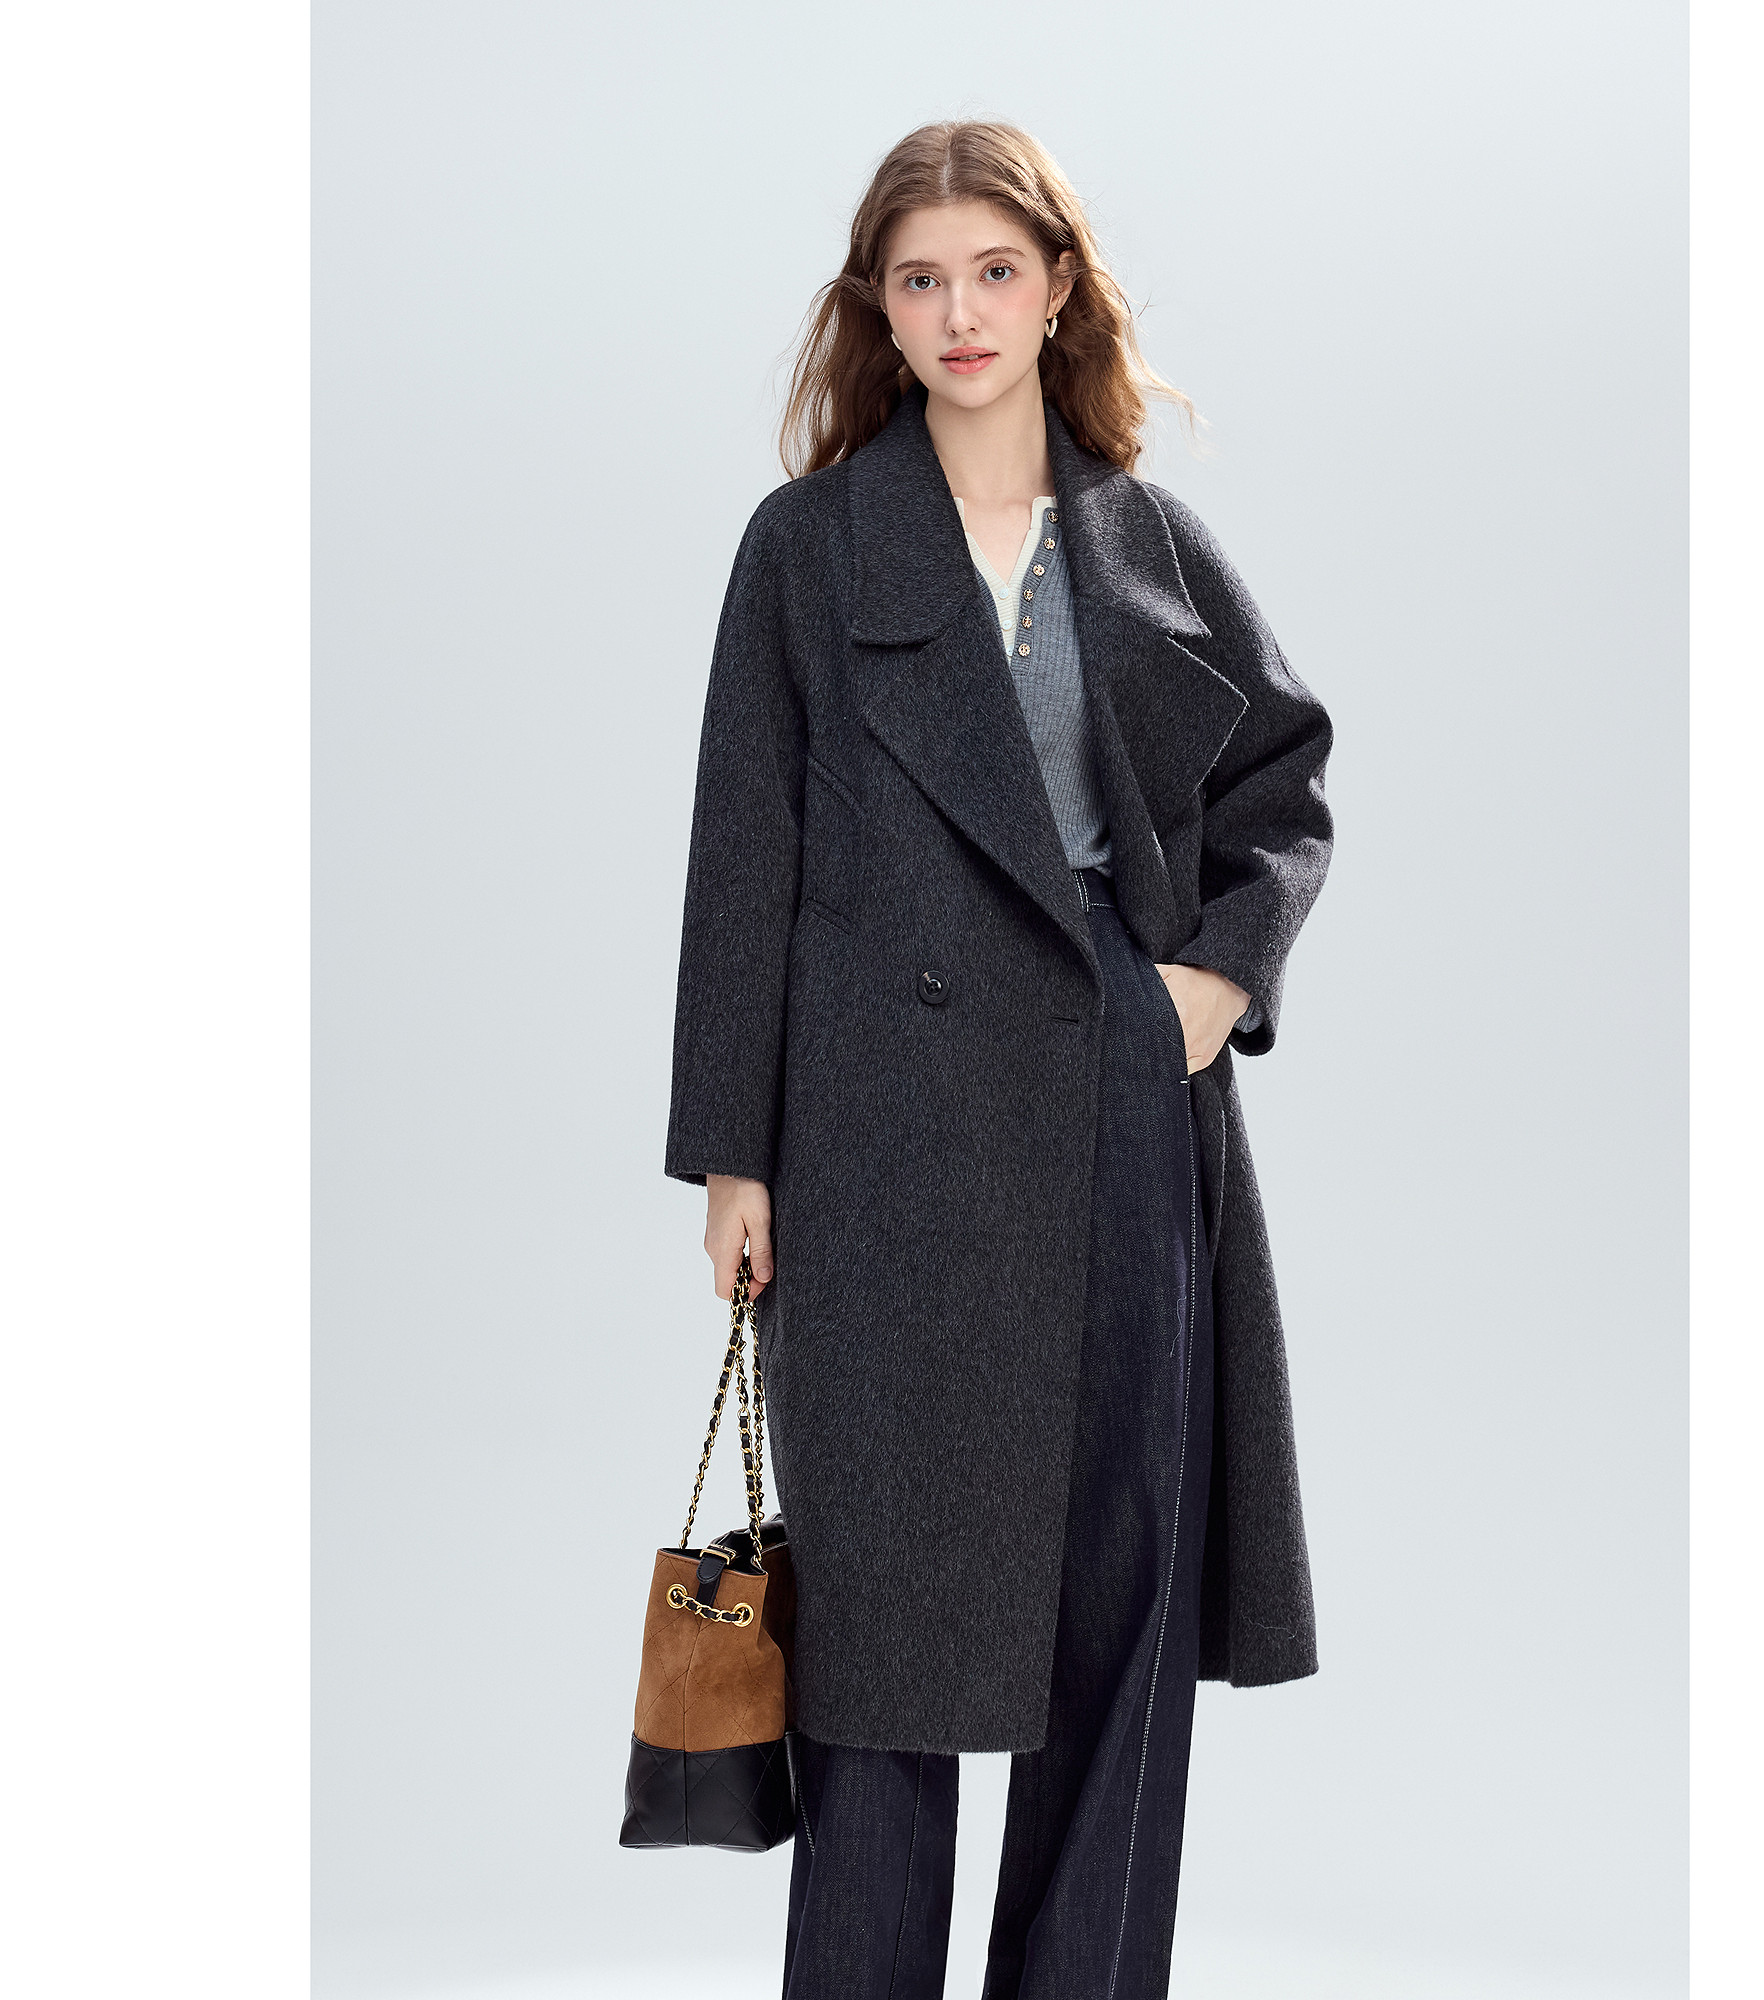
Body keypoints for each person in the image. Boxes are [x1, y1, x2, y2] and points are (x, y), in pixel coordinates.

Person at [664, 119, 1333, 2000]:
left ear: (1055, 292)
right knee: (882, 1636)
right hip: (877, 1130)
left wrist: (1206, 986)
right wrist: (733, 1152)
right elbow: (745, 855)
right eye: (920, 278)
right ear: (877, 309)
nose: (959, 312)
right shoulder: (809, 549)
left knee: (1119, 1607)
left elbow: (1284, 781)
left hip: (1118, 1095)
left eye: (993, 272)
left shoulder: (1144, 539)